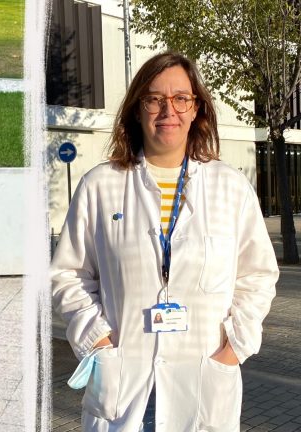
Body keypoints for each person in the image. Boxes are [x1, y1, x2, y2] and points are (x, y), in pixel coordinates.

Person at [51, 51, 279, 431]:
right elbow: (68, 275)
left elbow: (257, 276)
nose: (168, 110)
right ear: (138, 110)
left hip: (203, 381)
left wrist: (233, 349)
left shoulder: (231, 187)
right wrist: (99, 343)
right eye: (154, 99)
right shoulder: (100, 186)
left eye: (180, 98)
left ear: (196, 109)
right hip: (124, 385)